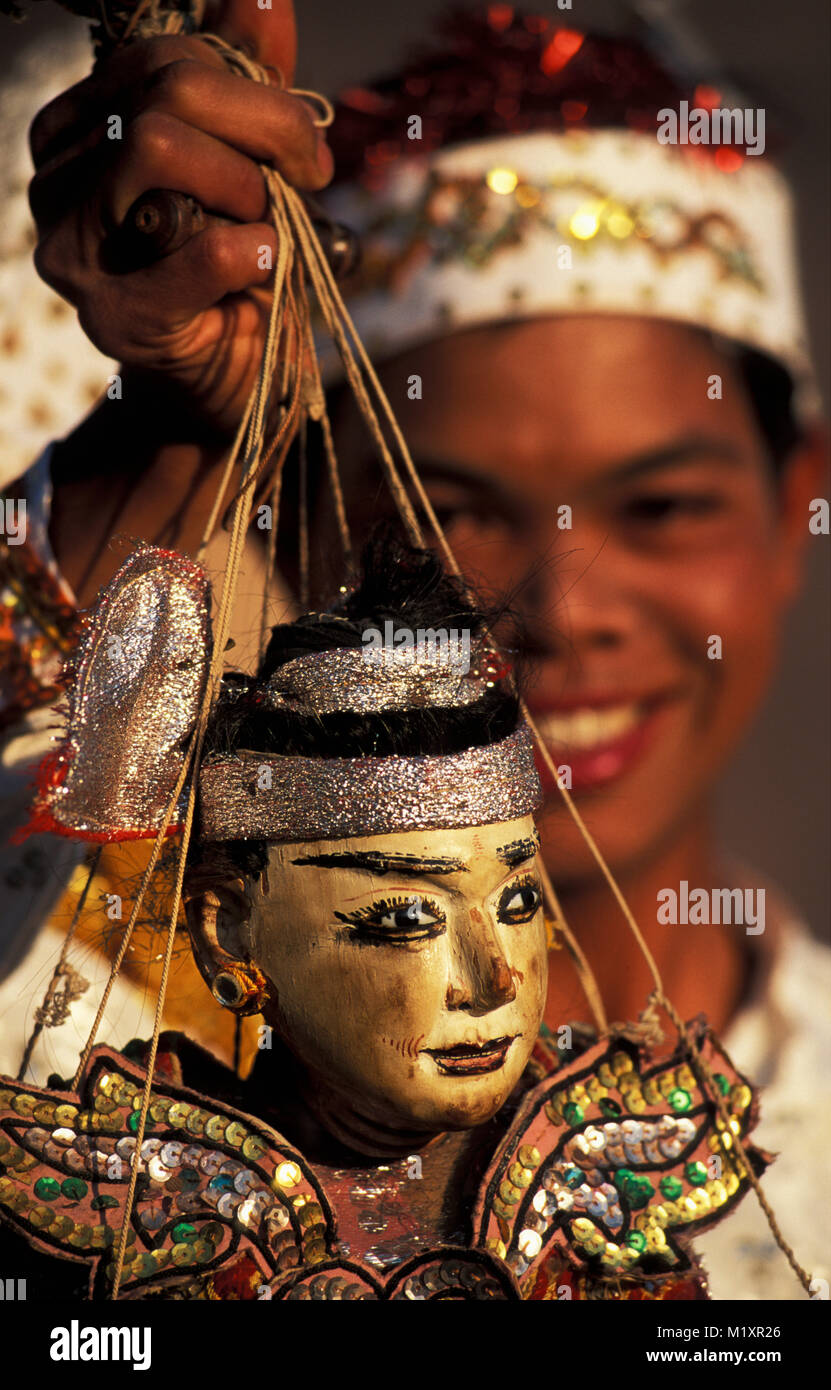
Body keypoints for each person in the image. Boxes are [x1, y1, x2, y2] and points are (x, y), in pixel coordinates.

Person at [0, 4, 827, 1297]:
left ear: (792, 507)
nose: (564, 608)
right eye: (453, 511)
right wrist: (147, 453)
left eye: (660, 504)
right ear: (325, 525)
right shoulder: (69, 1058)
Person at [0, 531, 764, 1300]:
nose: (493, 977)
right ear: (229, 933)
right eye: (403, 918)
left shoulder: (600, 1170)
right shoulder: (138, 1194)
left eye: (518, 901)